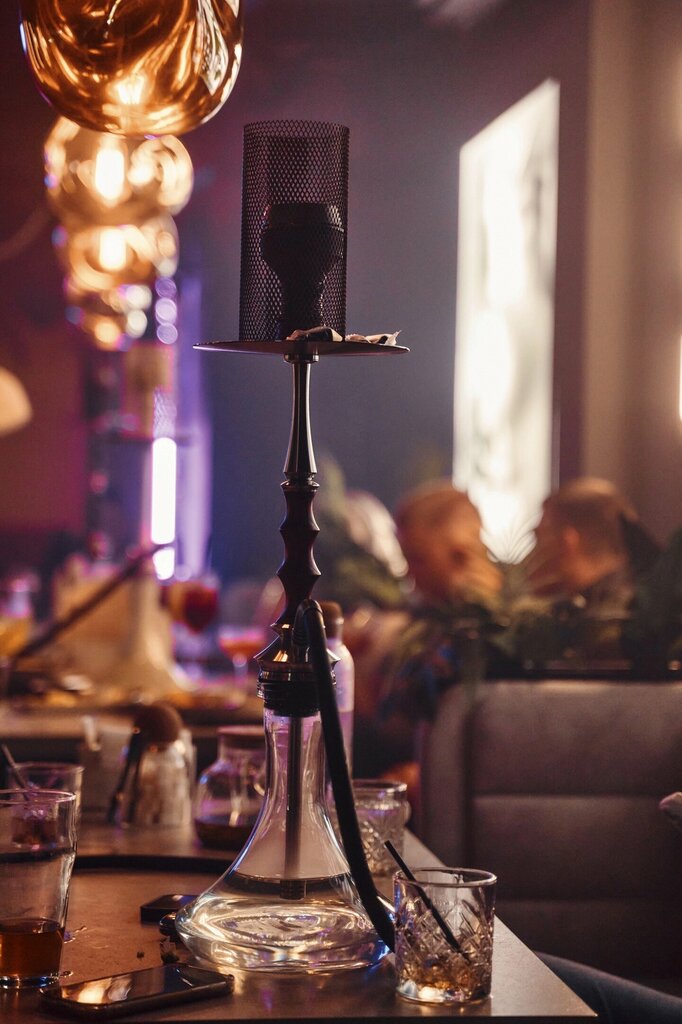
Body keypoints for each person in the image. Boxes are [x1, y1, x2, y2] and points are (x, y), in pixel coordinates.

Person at [354, 480, 507, 779]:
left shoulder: (492, 632)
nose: (408, 572)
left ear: (461, 554)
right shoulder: (426, 616)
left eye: (417, 558)